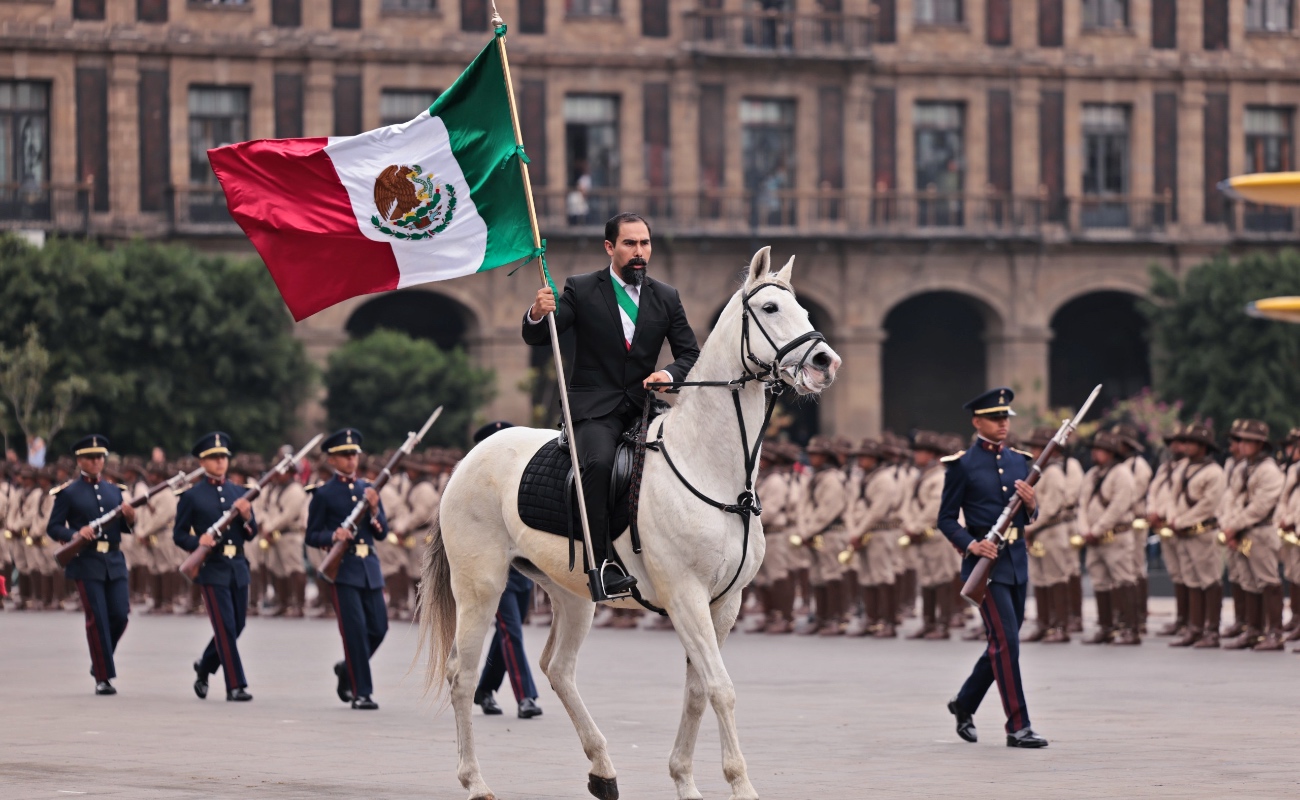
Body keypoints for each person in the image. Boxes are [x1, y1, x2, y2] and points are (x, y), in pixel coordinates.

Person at [521, 212, 700, 601]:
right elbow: (542, 333)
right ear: (610, 247)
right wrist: (539, 311)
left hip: (644, 405)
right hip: (594, 408)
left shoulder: (666, 296)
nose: (639, 252)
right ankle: (600, 564)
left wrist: (668, 376)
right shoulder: (582, 289)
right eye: (630, 244)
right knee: (599, 464)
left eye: (645, 244)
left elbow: (689, 354)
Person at [939, 388, 1047, 749]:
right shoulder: (962, 464)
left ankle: (965, 703)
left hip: (1016, 561)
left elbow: (1029, 515)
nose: (1003, 424)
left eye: (1006, 418)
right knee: (1007, 642)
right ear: (977, 422)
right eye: (995, 418)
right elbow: (946, 519)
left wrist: (1033, 506)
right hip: (983, 566)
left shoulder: (1020, 461)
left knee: (1003, 643)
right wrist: (971, 544)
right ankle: (1019, 726)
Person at [305, 428, 389, 710]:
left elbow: (381, 532)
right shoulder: (324, 494)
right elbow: (311, 535)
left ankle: (347, 668)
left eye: (354, 454)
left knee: (379, 627)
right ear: (332, 460)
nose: (351, 460)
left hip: (369, 568)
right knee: (354, 631)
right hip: (343, 569)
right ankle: (361, 692)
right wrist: (333, 536)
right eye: (344, 455)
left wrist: (376, 510)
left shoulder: (368, 490)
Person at [46, 435, 136, 695]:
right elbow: (53, 527)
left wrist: (130, 518)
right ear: (80, 460)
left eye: (100, 457)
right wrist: (74, 534)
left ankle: (100, 659)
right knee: (97, 618)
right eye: (90, 457)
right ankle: (103, 676)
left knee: (120, 614)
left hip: (114, 561)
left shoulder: (114, 491)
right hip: (86, 561)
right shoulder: (69, 492)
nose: (96, 461)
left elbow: (124, 528)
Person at [174, 432, 258, 702]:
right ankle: (236, 685)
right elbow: (178, 534)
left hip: (238, 566)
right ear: (202, 461)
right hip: (212, 567)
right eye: (214, 458)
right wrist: (198, 540)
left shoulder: (239, 492)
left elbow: (250, 533)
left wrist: (246, 518)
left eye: (223, 457)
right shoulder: (192, 496)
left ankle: (206, 665)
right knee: (224, 626)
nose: (220, 462)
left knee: (238, 625)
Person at [1219, 419, 1284, 650]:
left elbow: (1260, 506)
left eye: (1249, 441)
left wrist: (1233, 526)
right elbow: (1232, 499)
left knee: (1268, 582)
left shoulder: (1269, 470)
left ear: (1260, 444)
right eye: (1241, 440)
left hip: (1261, 531)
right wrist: (1229, 525)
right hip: (1242, 531)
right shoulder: (1243, 468)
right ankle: (1253, 630)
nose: (1242, 445)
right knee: (1248, 582)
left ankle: (1275, 633)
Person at [1166, 423, 1228, 648]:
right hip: (1182, 533)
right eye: (1187, 442)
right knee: (1191, 581)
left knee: (1209, 581)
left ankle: (1212, 630)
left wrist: (1181, 521)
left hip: (1203, 532)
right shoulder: (1182, 467)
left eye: (1192, 443)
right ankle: (1195, 628)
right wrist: (1172, 517)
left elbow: (1208, 505)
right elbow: (1172, 496)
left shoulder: (1214, 472)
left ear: (1204, 446)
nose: (1187, 446)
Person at [1077, 431, 1139, 645]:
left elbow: (1117, 507)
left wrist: (1096, 530)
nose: (1095, 453)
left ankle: (1130, 629)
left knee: (1124, 580)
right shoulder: (1093, 474)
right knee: (1099, 581)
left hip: (1116, 536)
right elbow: (1082, 505)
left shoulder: (1122, 473)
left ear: (1111, 453)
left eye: (1100, 449)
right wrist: (1085, 529)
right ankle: (1106, 627)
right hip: (1094, 538)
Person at [903, 431, 960, 640]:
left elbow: (934, 507)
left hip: (935, 533)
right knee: (926, 579)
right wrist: (910, 526)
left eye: (921, 452)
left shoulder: (941, 476)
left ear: (932, 454)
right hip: (920, 534)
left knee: (942, 579)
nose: (916, 455)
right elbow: (906, 504)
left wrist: (916, 527)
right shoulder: (919, 476)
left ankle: (943, 624)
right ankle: (928, 622)